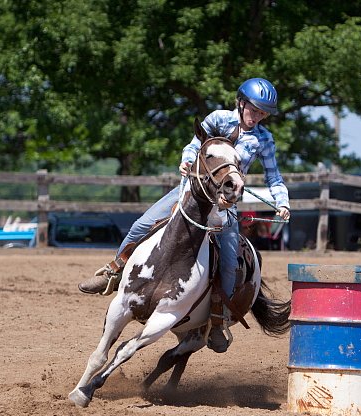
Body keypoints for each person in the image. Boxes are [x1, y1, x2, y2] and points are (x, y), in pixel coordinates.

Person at [78, 77, 291, 353]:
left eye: (263, 113)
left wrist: (282, 202)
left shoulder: (264, 139)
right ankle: (113, 273)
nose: (257, 117)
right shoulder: (217, 119)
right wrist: (187, 160)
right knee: (140, 225)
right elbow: (194, 144)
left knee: (228, 261)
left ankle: (216, 319)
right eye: (254, 110)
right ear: (241, 102)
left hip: (225, 204)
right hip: (191, 192)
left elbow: (275, 177)